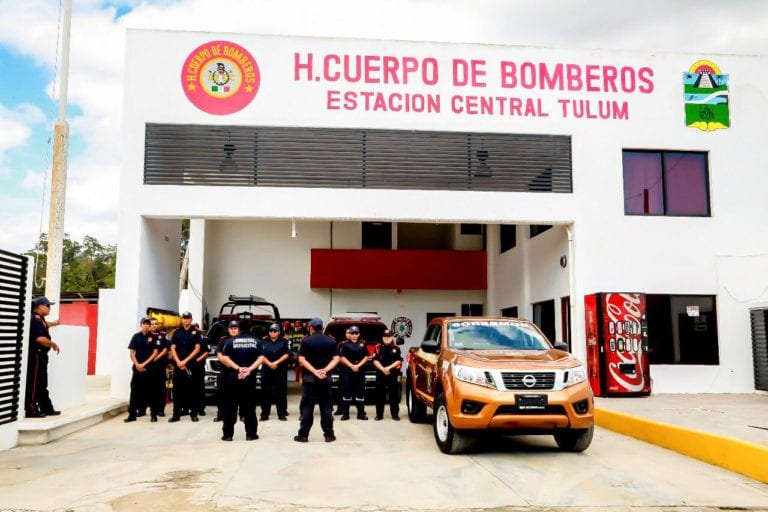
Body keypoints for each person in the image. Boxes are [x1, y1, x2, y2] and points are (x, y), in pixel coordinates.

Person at [217, 320, 264, 441]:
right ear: (250, 329)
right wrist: (249, 369)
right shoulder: (257, 341)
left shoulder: (230, 341)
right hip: (249, 379)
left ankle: (227, 435)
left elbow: (225, 358)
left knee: (230, 406)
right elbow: (261, 358)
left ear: (239, 328)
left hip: (233, 379)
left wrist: (238, 369)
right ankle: (251, 434)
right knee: (249, 407)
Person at [294, 317, 339, 443]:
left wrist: (314, 371)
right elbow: (336, 359)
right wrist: (324, 370)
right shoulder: (331, 341)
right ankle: (329, 435)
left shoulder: (306, 341)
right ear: (322, 327)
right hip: (325, 379)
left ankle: (303, 435)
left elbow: (301, 359)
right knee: (326, 408)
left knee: (307, 408)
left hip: (310, 379)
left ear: (311, 327)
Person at [24, 296, 61, 418]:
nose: (50, 308)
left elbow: (45, 325)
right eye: (48, 305)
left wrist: (54, 323)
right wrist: (53, 344)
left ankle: (46, 408)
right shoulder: (35, 319)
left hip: (41, 355)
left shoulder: (40, 319)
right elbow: (40, 339)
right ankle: (31, 410)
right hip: (36, 354)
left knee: (41, 383)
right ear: (40, 307)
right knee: (34, 383)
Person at [168, 311, 201, 422]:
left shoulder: (196, 332)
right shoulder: (177, 332)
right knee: (177, 391)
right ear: (182, 320)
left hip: (191, 365)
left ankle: (194, 414)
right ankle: (176, 414)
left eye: (188, 318)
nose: (186, 320)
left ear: (191, 320)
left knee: (192, 390)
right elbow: (172, 348)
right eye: (184, 318)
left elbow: (197, 349)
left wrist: (185, 361)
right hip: (179, 365)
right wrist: (178, 361)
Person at [125, 318, 159, 422]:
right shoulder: (136, 337)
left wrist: (144, 364)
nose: (146, 326)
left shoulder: (154, 337)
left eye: (148, 324)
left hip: (149, 369)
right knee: (134, 392)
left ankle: (153, 415)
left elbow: (155, 353)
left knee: (152, 392)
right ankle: (132, 415)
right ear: (141, 325)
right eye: (144, 324)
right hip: (137, 369)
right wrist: (137, 364)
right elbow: (131, 353)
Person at [260, 323, 291, 421]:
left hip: (280, 370)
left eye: (274, 331)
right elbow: (261, 355)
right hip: (266, 370)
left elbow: (287, 354)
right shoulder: (263, 341)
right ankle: (265, 414)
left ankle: (281, 414)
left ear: (279, 332)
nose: (272, 333)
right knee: (265, 392)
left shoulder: (284, 341)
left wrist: (276, 362)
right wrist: (269, 364)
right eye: (270, 331)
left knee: (280, 393)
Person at [337, 325, 369, 421]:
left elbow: (366, 356)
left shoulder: (363, 344)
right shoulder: (344, 345)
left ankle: (361, 413)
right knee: (347, 392)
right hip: (348, 371)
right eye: (352, 333)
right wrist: (351, 366)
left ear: (359, 334)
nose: (354, 335)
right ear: (349, 334)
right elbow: (341, 357)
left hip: (360, 371)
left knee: (360, 392)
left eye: (356, 333)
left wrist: (358, 365)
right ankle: (345, 414)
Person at [372, 329, 403, 421]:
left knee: (393, 394)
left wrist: (388, 368)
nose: (387, 338)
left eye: (388, 336)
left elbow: (399, 360)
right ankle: (379, 415)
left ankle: (395, 414)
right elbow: (375, 360)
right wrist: (383, 369)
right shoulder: (378, 347)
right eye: (385, 336)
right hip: (380, 373)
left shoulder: (396, 348)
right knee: (379, 395)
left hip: (392, 373)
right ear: (382, 337)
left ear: (391, 337)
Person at [148, 318, 169, 417]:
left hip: (159, 365)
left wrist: (155, 358)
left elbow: (165, 349)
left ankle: (160, 409)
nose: (154, 326)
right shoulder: (146, 335)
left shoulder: (163, 335)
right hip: (148, 366)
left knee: (160, 387)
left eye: (156, 324)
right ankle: (148, 408)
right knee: (148, 387)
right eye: (152, 324)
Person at [191, 323, 209, 417]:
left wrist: (197, 360)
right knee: (189, 388)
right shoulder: (189, 338)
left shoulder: (204, 339)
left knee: (199, 387)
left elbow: (206, 352)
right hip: (188, 366)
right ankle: (187, 408)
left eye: (196, 328)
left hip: (199, 366)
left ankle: (201, 408)